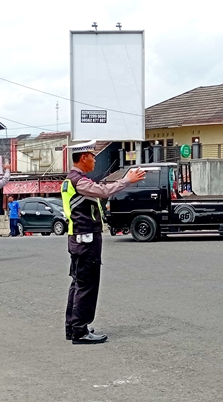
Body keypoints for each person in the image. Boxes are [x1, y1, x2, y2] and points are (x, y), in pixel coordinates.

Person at [62, 140, 145, 344]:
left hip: (79, 239)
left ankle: (73, 328)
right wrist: (127, 180)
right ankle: (80, 331)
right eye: (93, 156)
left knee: (78, 284)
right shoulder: (78, 181)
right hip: (86, 240)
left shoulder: (71, 180)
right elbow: (104, 191)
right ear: (83, 158)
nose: (94, 160)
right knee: (86, 286)